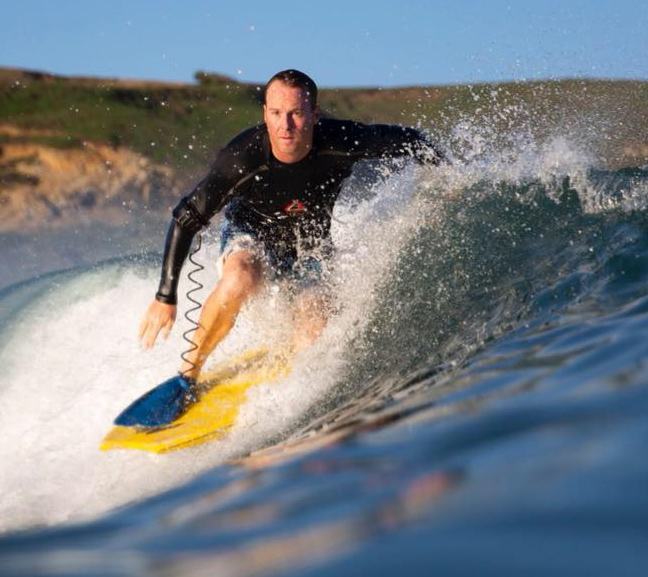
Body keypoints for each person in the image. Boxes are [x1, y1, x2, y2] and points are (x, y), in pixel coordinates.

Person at [137, 69, 442, 392]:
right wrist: (165, 295)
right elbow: (186, 216)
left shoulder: (342, 141)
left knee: (313, 320)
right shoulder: (243, 157)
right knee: (240, 276)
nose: (286, 125)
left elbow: (411, 141)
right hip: (249, 234)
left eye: (296, 113)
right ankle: (188, 375)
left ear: (314, 114)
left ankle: (290, 391)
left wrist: (447, 179)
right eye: (277, 113)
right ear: (265, 114)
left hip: (310, 245)